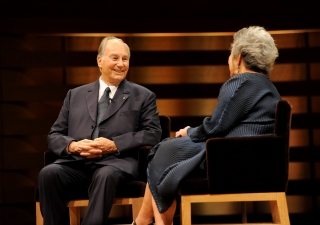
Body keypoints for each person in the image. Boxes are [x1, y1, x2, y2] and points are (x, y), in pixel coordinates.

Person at [133, 26, 281, 225]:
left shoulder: (241, 82)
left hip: (228, 159)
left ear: (239, 57)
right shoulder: (268, 87)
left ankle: (150, 222)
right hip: (256, 161)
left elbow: (215, 127)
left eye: (230, 54)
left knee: (164, 149)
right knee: (167, 149)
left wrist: (189, 132)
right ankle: (143, 221)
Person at [37, 36, 162, 225]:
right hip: (77, 163)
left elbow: (153, 133)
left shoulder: (143, 96)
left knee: (105, 175)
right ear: (99, 61)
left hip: (115, 164)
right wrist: (73, 146)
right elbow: (54, 135)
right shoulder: (75, 95)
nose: (121, 64)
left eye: (125, 59)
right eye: (115, 58)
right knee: (48, 174)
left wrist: (114, 145)